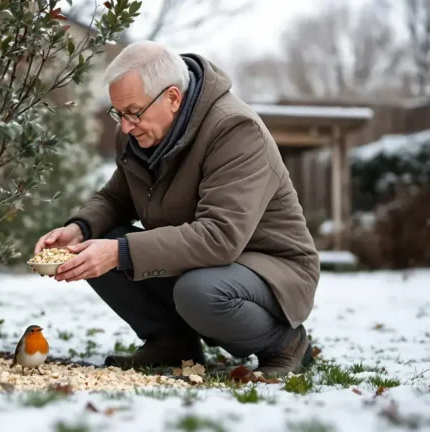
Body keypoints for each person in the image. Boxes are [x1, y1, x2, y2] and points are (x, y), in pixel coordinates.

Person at [33, 41, 320, 377]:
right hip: (199, 263)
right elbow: (115, 198)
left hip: (269, 268)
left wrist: (118, 252)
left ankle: (285, 343)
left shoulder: (235, 130)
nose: (125, 126)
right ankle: (171, 343)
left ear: (172, 97)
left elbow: (220, 237)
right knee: (100, 238)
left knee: (197, 290)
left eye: (133, 112)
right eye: (118, 113)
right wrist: (80, 229)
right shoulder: (137, 134)